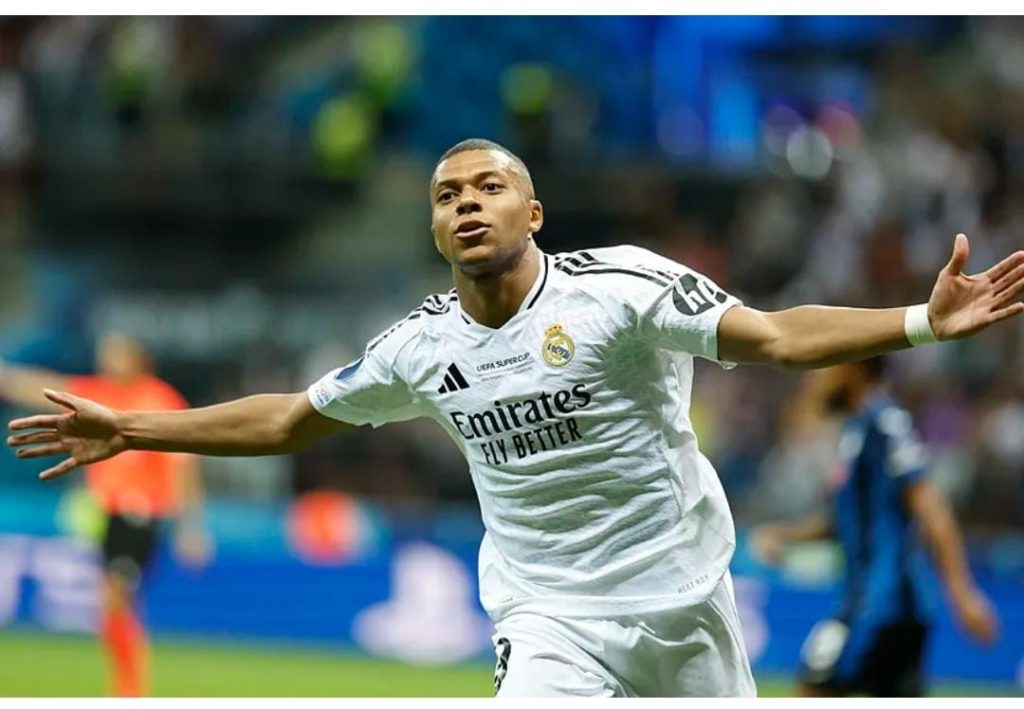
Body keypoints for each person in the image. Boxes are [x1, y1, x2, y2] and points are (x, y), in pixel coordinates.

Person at [6, 139, 1024, 697]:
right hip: (548, 621)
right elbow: (288, 419)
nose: (466, 202)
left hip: (686, 607)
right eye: (447, 193)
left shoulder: (620, 290)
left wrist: (918, 323)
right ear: (434, 226)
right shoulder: (419, 346)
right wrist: (132, 429)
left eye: (489, 186)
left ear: (531, 213)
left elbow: (776, 335)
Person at [751, 358, 999, 696]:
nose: (814, 377)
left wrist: (962, 592)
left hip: (885, 604)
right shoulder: (856, 430)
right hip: (873, 603)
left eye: (823, 365)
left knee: (813, 689)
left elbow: (929, 505)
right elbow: (844, 521)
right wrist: (783, 535)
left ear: (853, 368)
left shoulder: (885, 420)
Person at [0, 332, 209, 697]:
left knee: (116, 593)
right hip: (107, 513)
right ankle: (126, 683)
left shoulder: (159, 400)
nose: (108, 361)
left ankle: (130, 688)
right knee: (112, 602)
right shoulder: (99, 394)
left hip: (141, 512)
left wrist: (190, 527)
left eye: (117, 354)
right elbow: (45, 389)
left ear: (138, 359)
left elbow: (183, 466)